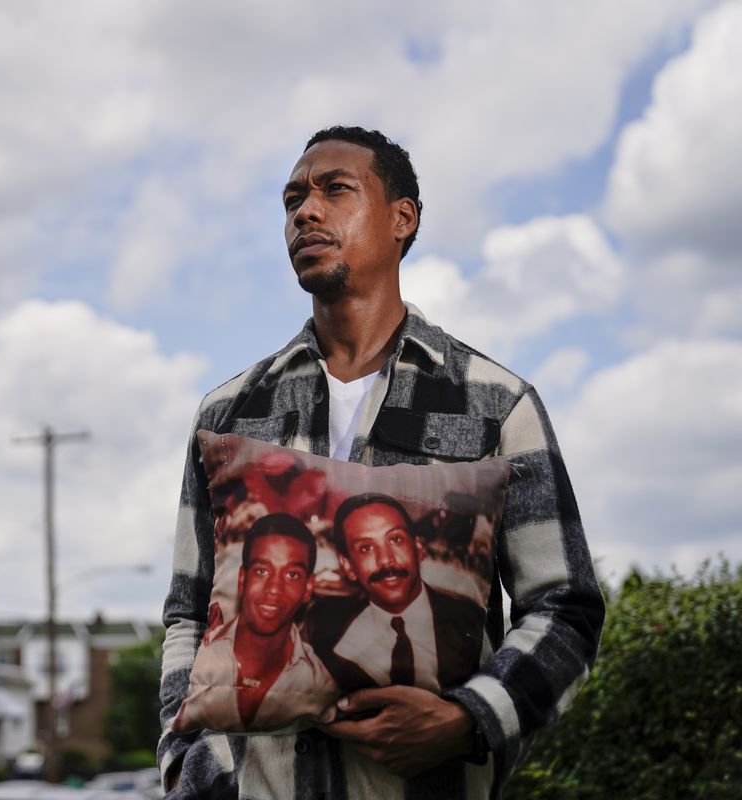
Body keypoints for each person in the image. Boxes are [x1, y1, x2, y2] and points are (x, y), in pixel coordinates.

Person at [158, 126, 604, 799]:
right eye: (292, 200)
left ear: (403, 219)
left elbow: (565, 608)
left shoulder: (495, 404)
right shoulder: (226, 414)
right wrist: (187, 769)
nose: (305, 212)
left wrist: (468, 717)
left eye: (336, 190)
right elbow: (190, 614)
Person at [173, 513, 336, 733]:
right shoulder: (208, 653)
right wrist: (174, 747)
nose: (274, 589)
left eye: (292, 575)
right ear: (242, 579)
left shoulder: (321, 681)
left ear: (308, 588)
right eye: (262, 571)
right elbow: (182, 618)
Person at [306, 494, 484, 695]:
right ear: (348, 566)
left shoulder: (471, 622)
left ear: (418, 549)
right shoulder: (320, 625)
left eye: (396, 539)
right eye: (366, 547)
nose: (386, 561)